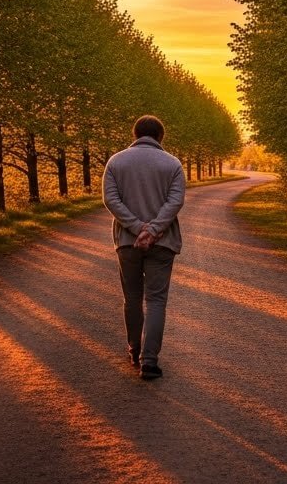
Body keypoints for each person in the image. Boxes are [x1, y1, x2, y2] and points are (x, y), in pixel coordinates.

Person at [102, 114, 186, 380]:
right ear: (160, 137)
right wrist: (153, 230)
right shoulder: (172, 164)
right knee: (156, 300)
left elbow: (111, 200)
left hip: (127, 242)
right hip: (163, 242)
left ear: (135, 134)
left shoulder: (115, 162)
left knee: (133, 298)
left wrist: (138, 229)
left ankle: (134, 348)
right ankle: (149, 360)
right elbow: (175, 202)